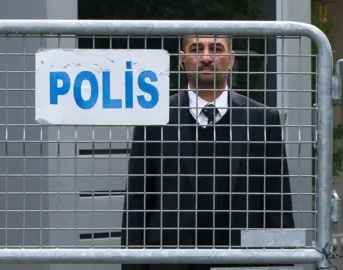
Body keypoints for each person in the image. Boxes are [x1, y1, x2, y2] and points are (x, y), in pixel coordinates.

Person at [120, 35, 295, 270]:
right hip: (171, 260)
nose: (205, 57)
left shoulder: (262, 120)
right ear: (182, 60)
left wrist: (280, 263)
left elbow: (277, 200)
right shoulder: (155, 117)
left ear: (230, 59)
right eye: (196, 49)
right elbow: (138, 199)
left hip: (241, 261)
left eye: (216, 49)